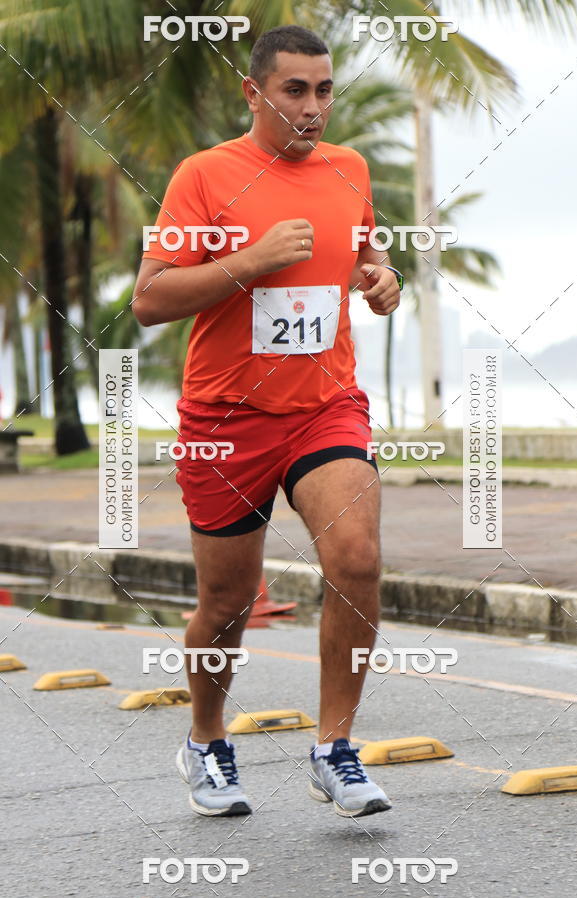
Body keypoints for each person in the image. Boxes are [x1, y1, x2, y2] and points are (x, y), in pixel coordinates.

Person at [133, 24, 401, 819]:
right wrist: (249, 261)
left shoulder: (348, 169)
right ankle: (207, 740)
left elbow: (363, 255)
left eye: (324, 90)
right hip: (226, 420)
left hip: (325, 406)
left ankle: (335, 751)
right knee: (228, 599)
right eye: (295, 91)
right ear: (254, 93)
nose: (313, 107)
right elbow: (149, 300)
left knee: (355, 559)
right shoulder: (206, 176)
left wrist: (382, 280)